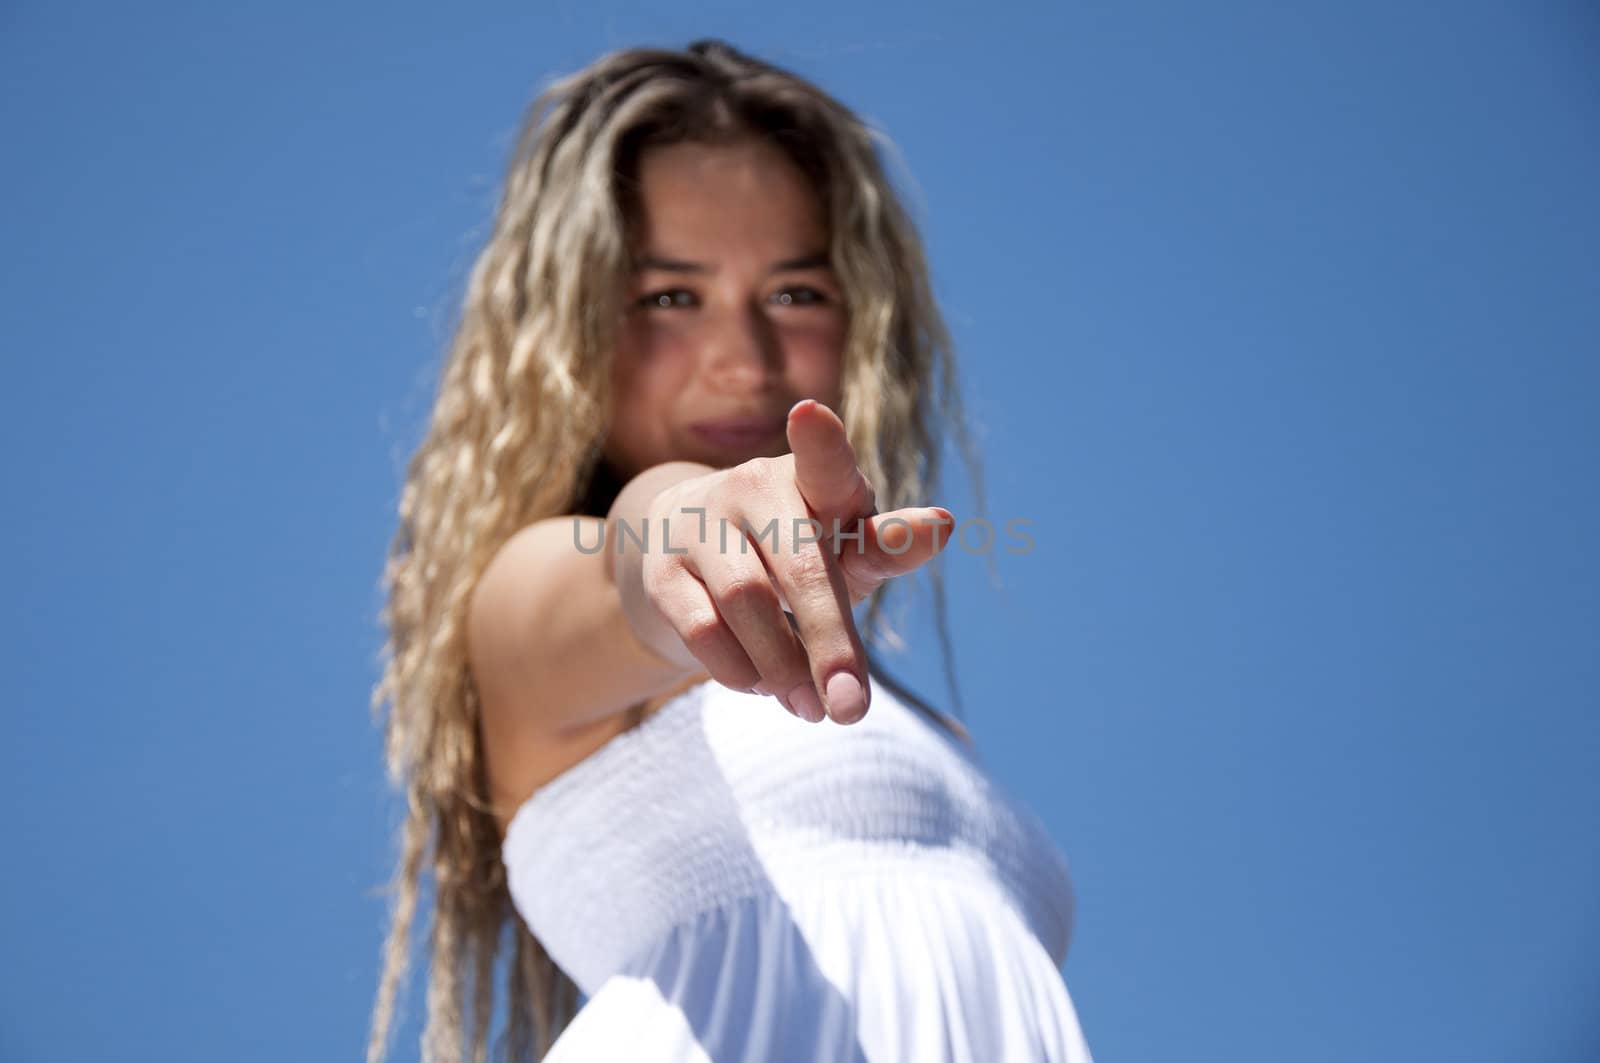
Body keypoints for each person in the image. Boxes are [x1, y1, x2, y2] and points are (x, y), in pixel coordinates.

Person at [366, 38, 1095, 1063]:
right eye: (668, 297)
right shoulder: (531, 592)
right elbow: (644, 551)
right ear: (570, 330)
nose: (743, 359)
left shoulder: (916, 724)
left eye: (795, 293)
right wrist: (688, 527)